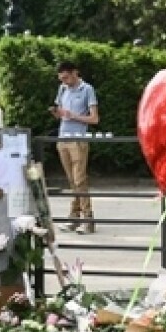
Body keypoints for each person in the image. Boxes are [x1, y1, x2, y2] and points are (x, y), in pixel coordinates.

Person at [51, 61, 100, 233]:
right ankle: (74, 217)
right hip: (63, 138)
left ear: (74, 73)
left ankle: (88, 219)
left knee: (80, 180)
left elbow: (94, 119)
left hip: (78, 139)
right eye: (61, 79)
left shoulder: (87, 89)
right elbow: (59, 113)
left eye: (66, 78)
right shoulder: (62, 89)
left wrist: (73, 116)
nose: (64, 81)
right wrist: (57, 113)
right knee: (72, 181)